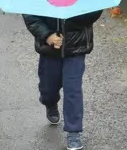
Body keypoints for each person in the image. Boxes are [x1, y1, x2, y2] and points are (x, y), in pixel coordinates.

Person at [23, 10, 102, 150]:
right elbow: (31, 16)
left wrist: (71, 19)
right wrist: (47, 35)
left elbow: (94, 12)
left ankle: (74, 132)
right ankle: (50, 102)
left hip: (76, 46)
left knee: (73, 89)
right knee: (49, 87)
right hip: (50, 48)